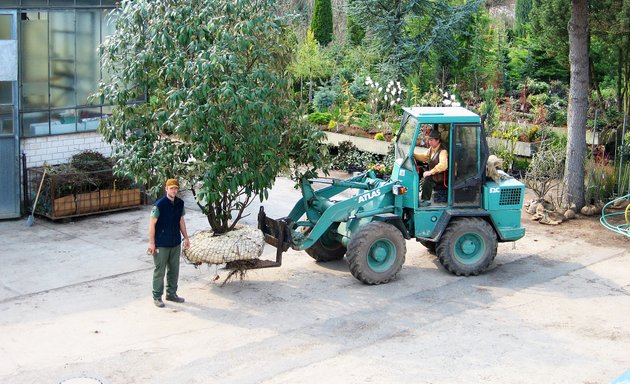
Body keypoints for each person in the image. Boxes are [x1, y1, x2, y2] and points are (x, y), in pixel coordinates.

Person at [148, 178, 190, 308]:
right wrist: (152, 243)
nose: (174, 190)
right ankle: (157, 297)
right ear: (166, 189)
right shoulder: (159, 205)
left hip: (175, 242)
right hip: (161, 243)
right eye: (171, 188)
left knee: (174, 270)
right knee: (160, 271)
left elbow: (181, 221)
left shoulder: (180, 203)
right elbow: (152, 224)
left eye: (176, 188)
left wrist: (186, 237)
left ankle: (171, 293)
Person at [413, 130, 448, 206]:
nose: (429, 142)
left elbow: (443, 165)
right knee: (418, 170)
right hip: (434, 173)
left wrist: (430, 172)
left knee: (428, 178)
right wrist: (413, 154)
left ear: (437, 140)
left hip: (440, 176)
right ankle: (413, 193)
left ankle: (425, 200)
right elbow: (424, 157)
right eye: (429, 140)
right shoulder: (431, 149)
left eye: (431, 140)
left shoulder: (443, 151)